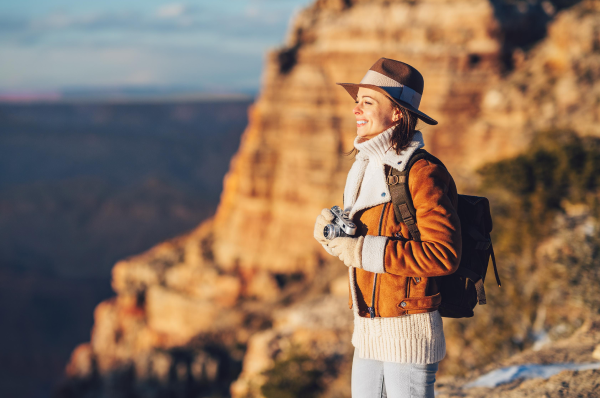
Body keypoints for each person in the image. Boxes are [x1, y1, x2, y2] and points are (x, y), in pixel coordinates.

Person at [313, 58, 462, 398]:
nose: (356, 110)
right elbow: (364, 246)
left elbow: (443, 255)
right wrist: (333, 237)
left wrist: (360, 249)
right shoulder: (364, 165)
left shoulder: (422, 171)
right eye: (356, 102)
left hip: (408, 332)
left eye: (368, 102)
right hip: (367, 328)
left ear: (397, 113)